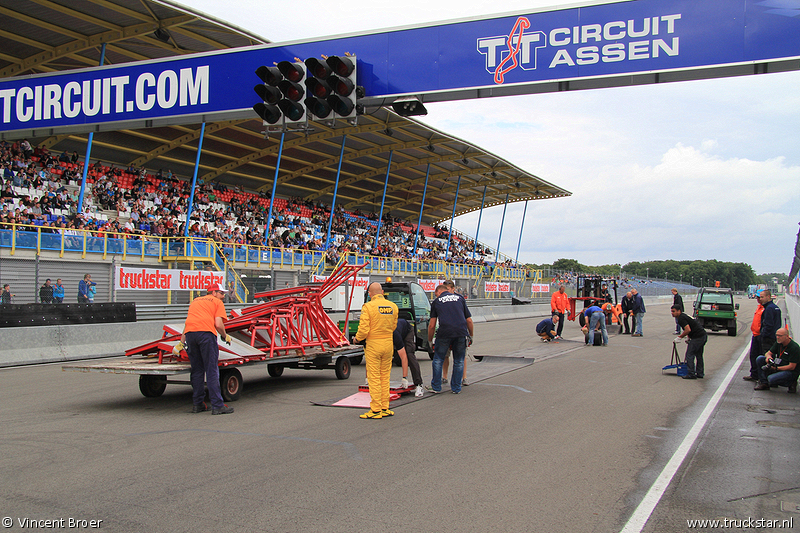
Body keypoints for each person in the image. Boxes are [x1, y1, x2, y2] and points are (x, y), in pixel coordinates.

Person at [179, 283, 234, 415]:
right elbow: (218, 324)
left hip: (191, 334)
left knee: (197, 370)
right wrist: (224, 336)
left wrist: (182, 342)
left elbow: (188, 323)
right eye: (221, 293)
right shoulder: (217, 302)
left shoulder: (195, 301)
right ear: (214, 293)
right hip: (206, 335)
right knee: (211, 370)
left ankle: (198, 404)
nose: (222, 297)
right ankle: (217, 405)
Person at [354, 282, 398, 419]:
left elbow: (363, 329)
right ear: (382, 292)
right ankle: (385, 407)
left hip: (374, 345)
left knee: (374, 378)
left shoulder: (368, 307)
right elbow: (394, 326)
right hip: (388, 344)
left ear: (370, 294)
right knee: (385, 377)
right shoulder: (393, 306)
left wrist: (357, 339)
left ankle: (375, 409)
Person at [428, 283, 473, 394]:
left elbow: (432, 325)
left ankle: (436, 387)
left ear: (438, 292)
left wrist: (429, 340)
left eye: (436, 294)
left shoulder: (437, 302)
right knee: (459, 361)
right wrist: (471, 335)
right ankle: (456, 388)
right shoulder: (460, 298)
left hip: (444, 333)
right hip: (460, 332)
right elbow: (469, 320)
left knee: (438, 359)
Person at [753, 328, 798, 393]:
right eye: (776, 335)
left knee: (771, 379)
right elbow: (768, 353)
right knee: (760, 358)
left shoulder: (794, 348)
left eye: (780, 336)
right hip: (779, 366)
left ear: (787, 336)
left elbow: (792, 366)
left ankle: (791, 383)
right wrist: (768, 357)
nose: (777, 337)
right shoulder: (779, 343)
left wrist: (776, 368)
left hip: (789, 371)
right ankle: (764, 383)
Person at [671, 304, 707, 380]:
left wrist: (679, 337)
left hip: (698, 337)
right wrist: (689, 337)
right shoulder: (684, 316)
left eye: (673, 311)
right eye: (671, 311)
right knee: (699, 355)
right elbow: (692, 327)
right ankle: (700, 373)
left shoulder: (681, 318)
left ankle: (691, 374)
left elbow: (688, 330)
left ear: (679, 311)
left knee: (689, 354)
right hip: (702, 335)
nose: (672, 313)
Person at [393, 316, 423, 397]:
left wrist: (404, 378)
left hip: (408, 331)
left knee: (409, 354)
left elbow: (404, 357)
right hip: (400, 330)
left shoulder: (395, 334)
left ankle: (418, 384)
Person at [743, 295, 765, 382]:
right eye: (758, 298)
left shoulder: (766, 309)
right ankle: (754, 374)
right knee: (753, 355)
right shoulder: (759, 307)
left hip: (761, 335)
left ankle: (761, 377)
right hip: (755, 334)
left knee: (760, 356)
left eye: (760, 297)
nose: (758, 299)